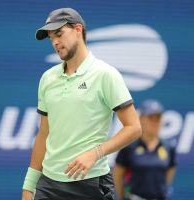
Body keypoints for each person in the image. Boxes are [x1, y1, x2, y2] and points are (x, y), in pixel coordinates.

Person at [22, 7, 142, 200]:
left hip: (91, 183)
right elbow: (44, 134)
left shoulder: (105, 74)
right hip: (48, 185)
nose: (55, 42)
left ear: (78, 29)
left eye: (59, 34)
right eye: (51, 37)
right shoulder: (47, 78)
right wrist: (29, 185)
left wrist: (95, 154)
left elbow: (134, 128)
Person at [114, 100, 177, 200]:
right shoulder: (129, 147)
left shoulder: (168, 147)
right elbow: (118, 175)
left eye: (158, 118)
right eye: (151, 118)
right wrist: (122, 197)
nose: (155, 122)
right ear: (141, 119)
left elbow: (169, 174)